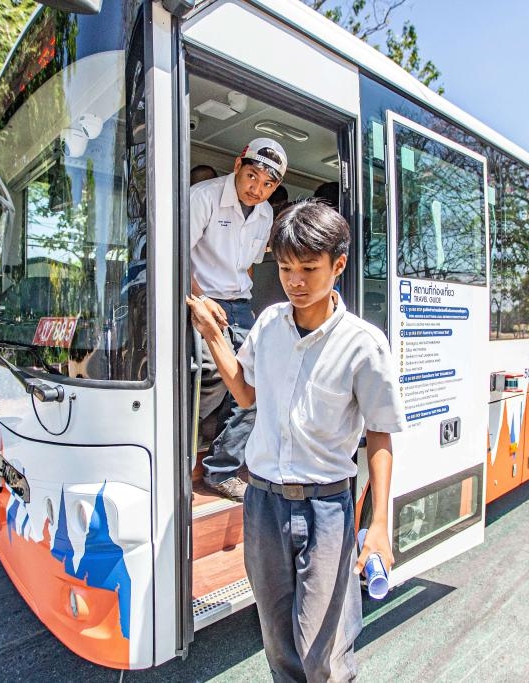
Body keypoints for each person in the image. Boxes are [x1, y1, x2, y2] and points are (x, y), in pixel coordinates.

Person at [186, 200, 404, 681]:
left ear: (338, 266)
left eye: (309, 268)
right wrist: (212, 337)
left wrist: (381, 524)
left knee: (324, 653)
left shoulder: (363, 344)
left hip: (326, 509)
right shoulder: (268, 325)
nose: (295, 281)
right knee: (279, 645)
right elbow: (245, 393)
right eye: (285, 268)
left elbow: (380, 433)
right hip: (262, 504)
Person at [190, 137, 288, 501]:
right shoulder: (203, 197)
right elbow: (176, 253)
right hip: (197, 297)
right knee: (209, 376)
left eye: (268, 184)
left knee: (257, 384)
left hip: (238, 303)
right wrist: (199, 299)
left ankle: (221, 469)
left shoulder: (264, 214)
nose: (256, 189)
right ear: (237, 165)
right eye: (252, 177)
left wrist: (238, 297)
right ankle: (178, 457)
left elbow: (247, 266)